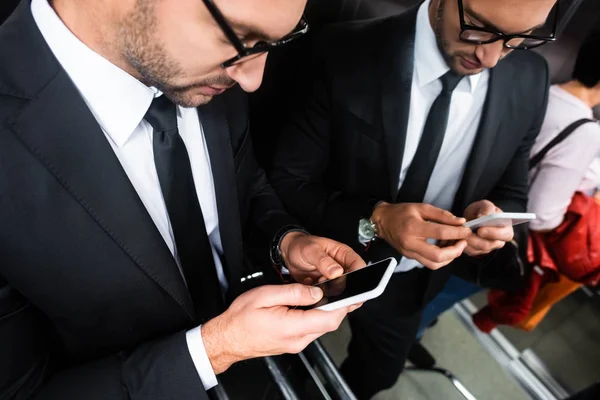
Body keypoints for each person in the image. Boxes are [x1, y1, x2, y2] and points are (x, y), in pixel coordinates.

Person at [0, 0, 367, 398]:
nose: (252, 81)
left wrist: (285, 241)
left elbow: (244, 183)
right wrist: (214, 350)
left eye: (271, 43)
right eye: (242, 39)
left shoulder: (203, 71)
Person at [270, 0, 557, 397]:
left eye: (518, 39)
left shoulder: (531, 76)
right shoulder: (342, 50)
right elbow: (285, 179)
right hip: (320, 261)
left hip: (415, 282)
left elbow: (510, 189)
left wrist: (494, 221)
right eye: (479, 28)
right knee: (272, 368)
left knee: (374, 377)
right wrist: (377, 218)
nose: (490, 57)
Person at [417, 27, 600, 341]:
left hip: (458, 206)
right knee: (432, 300)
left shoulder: (544, 91)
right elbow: (543, 214)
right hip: (493, 232)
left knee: (422, 289)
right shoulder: (585, 130)